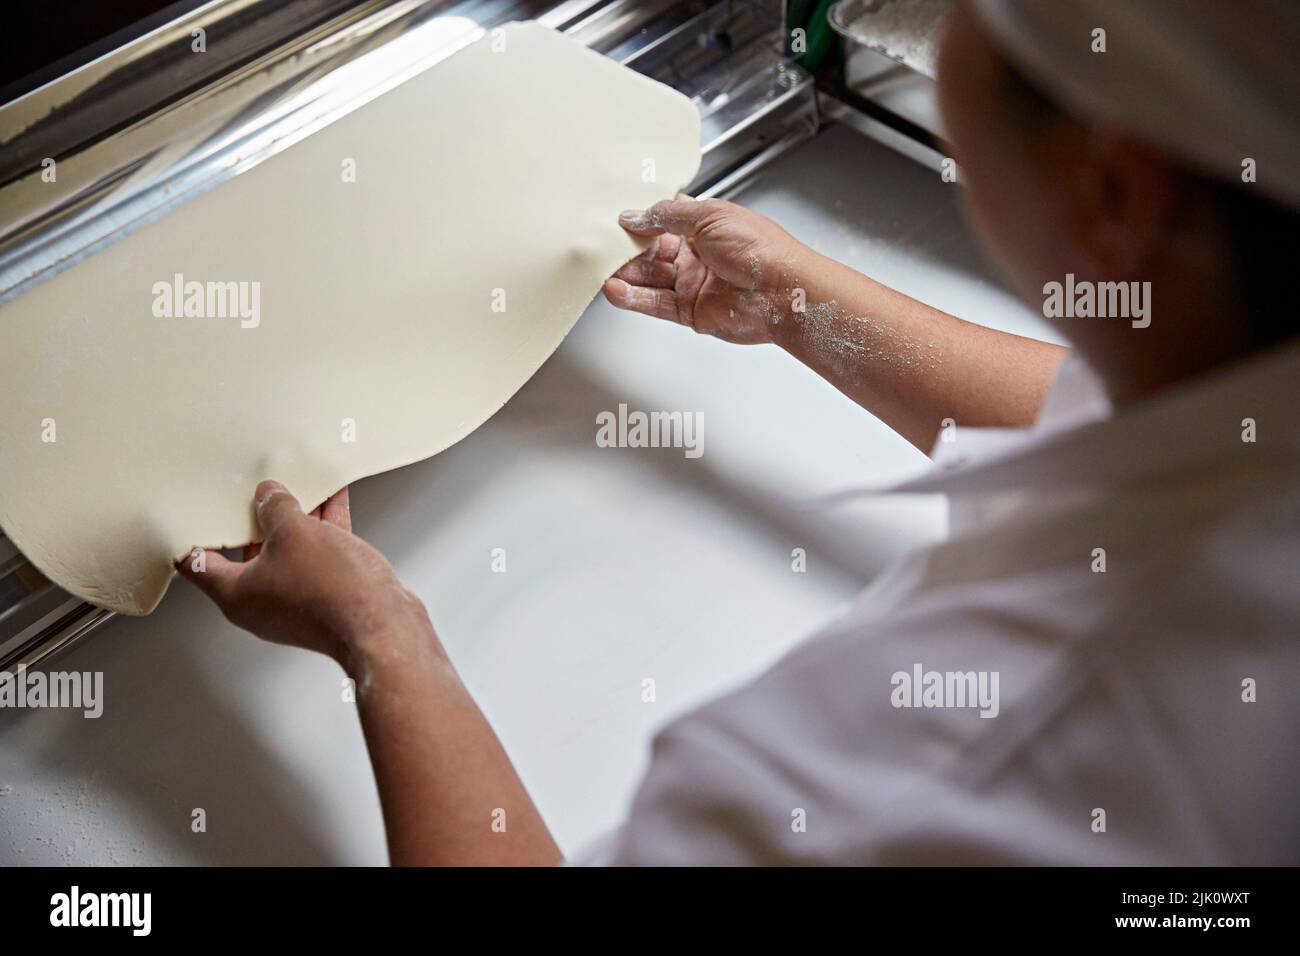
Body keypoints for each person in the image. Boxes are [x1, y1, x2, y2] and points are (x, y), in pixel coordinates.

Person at [178, 0, 1300, 865]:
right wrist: (799, 301)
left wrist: (382, 640)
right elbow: (1129, 418)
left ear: (1113, 195)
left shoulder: (934, 773)